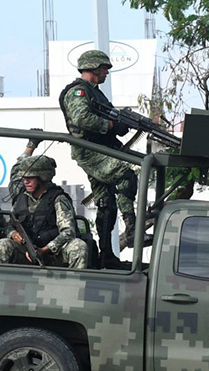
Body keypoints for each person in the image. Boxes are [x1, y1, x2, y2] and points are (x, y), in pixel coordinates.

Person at [58, 49, 137, 268]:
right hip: (90, 151)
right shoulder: (78, 92)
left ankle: (106, 256)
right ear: (93, 67)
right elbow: (82, 119)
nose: (106, 73)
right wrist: (111, 125)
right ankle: (132, 231)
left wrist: (119, 126)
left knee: (106, 203)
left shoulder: (95, 92)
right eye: (104, 69)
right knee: (126, 176)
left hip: (100, 149)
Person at [0, 156, 89, 269]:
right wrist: (13, 234)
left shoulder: (58, 199)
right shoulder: (21, 198)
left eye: (30, 178)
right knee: (3, 244)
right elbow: (9, 225)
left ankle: (74, 285)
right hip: (27, 253)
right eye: (24, 178)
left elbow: (68, 232)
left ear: (42, 178)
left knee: (79, 246)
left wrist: (44, 250)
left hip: (54, 254)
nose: (26, 182)